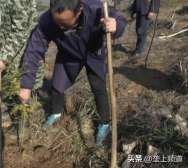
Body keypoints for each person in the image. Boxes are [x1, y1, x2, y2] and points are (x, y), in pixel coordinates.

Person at [18, 0, 127, 146]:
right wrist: (26, 85)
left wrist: (115, 25)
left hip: (93, 53)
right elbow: (34, 50)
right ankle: (56, 113)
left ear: (79, 11)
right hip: (68, 54)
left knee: (98, 87)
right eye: (57, 23)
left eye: (66, 24)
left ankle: (104, 123)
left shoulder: (96, 9)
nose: (60, 28)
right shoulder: (47, 21)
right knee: (57, 86)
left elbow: (120, 19)